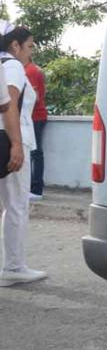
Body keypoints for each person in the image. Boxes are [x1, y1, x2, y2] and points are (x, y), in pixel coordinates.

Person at [0, 23, 47, 287]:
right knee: (16, 205)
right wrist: (17, 145)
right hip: (11, 141)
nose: (31, 52)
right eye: (29, 46)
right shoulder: (13, 66)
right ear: (14, 45)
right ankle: (14, 267)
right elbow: (10, 106)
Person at [25, 59, 47, 200]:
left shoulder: (30, 71)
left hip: (34, 116)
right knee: (34, 152)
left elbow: (35, 97)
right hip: (36, 116)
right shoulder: (32, 69)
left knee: (35, 152)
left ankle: (36, 189)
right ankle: (35, 187)